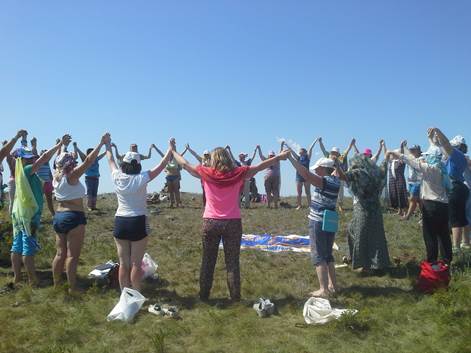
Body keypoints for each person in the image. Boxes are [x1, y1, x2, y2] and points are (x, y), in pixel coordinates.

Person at [170, 146, 289, 301]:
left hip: (210, 222)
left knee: (207, 260)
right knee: (232, 262)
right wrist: (278, 157)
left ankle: (204, 296)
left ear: (213, 159)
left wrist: (172, 151)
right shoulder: (239, 173)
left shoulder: (205, 172)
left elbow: (185, 164)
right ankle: (235, 298)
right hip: (233, 222)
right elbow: (260, 167)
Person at [106, 138, 172, 291]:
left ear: (124, 164)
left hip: (120, 220)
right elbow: (162, 165)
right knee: (136, 263)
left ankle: (124, 294)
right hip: (137, 221)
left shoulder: (117, 176)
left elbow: (110, 159)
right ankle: (135, 294)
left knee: (123, 263)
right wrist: (170, 148)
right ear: (138, 164)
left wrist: (107, 144)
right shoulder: (142, 177)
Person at [52, 133, 109, 292]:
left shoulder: (56, 176)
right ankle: (72, 287)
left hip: (59, 217)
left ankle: (56, 285)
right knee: (71, 256)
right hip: (74, 216)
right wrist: (101, 143)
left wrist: (62, 147)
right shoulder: (72, 176)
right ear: (69, 164)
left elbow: (59, 163)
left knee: (59, 254)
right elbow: (89, 161)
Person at [11, 134, 69, 286]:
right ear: (23, 159)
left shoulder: (18, 171)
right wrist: (59, 145)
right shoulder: (28, 169)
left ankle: (17, 277)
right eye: (29, 157)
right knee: (27, 247)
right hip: (29, 215)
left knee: (16, 246)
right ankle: (32, 279)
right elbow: (44, 158)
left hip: (18, 213)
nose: (32, 159)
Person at [386, 139, 452, 263]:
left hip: (430, 205)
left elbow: (410, 160)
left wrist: (396, 153)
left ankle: (432, 261)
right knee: (444, 235)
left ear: (431, 157)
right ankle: (447, 261)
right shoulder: (443, 169)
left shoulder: (427, 168)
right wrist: (431, 139)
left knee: (430, 235)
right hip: (444, 205)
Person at [287, 154, 342, 297]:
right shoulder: (336, 180)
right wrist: (336, 161)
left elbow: (305, 174)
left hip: (318, 221)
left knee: (319, 255)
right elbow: (336, 169)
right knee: (328, 254)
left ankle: (323, 289)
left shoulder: (323, 181)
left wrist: (292, 159)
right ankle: (333, 286)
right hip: (330, 221)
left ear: (324, 169)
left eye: (318, 169)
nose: (316, 171)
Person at [345, 153, 391, 272]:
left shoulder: (360, 173)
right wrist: (386, 157)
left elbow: (344, 176)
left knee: (361, 236)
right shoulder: (376, 173)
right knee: (376, 236)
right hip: (376, 209)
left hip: (363, 210)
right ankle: (378, 263)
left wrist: (337, 166)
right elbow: (384, 166)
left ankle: (364, 265)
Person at [430, 128, 469, 254]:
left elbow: (445, 144)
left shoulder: (456, 155)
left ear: (458, 147)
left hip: (455, 188)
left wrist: (438, 131)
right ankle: (464, 243)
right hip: (459, 187)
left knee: (455, 219)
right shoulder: (456, 156)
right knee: (462, 217)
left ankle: (456, 247)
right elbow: (441, 147)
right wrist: (433, 138)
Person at [319, 138, 356, 212]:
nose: (333, 153)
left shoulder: (340, 158)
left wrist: (351, 144)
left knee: (340, 192)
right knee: (329, 190)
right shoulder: (328, 156)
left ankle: (340, 206)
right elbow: (323, 150)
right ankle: (329, 204)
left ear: (338, 153)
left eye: (335, 152)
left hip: (340, 177)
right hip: (330, 177)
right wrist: (320, 142)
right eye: (333, 152)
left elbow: (347, 151)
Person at [283, 139, 316, 210]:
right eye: (299, 151)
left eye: (301, 151)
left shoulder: (308, 157)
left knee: (308, 192)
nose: (299, 151)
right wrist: (286, 145)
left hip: (307, 177)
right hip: (298, 177)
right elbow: (291, 151)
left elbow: (310, 148)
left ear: (304, 152)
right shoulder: (298, 158)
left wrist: (315, 140)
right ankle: (299, 205)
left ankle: (310, 205)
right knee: (299, 193)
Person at [73, 142, 106, 211]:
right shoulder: (86, 159)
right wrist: (76, 147)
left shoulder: (96, 158)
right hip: (89, 178)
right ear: (88, 153)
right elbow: (80, 153)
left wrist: (108, 149)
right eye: (92, 152)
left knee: (94, 192)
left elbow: (103, 155)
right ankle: (89, 207)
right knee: (89, 192)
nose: (93, 153)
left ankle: (93, 206)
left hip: (96, 178)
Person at [153, 140, 187, 208]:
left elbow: (181, 154)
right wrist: (155, 147)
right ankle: (172, 203)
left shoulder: (176, 157)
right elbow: (160, 153)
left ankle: (178, 203)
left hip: (175, 176)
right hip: (168, 176)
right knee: (170, 191)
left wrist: (186, 149)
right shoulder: (166, 158)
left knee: (176, 191)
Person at [256, 143, 283, 209]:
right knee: (275, 191)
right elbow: (281, 153)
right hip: (276, 177)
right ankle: (275, 205)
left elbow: (261, 156)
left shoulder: (267, 160)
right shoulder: (277, 159)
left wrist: (259, 148)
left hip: (267, 177)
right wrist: (281, 146)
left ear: (269, 155)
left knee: (268, 192)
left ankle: (269, 205)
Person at [388, 141, 409, 216]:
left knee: (401, 195)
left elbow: (402, 155)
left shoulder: (401, 161)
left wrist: (401, 147)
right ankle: (399, 211)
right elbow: (386, 155)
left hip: (400, 180)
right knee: (396, 195)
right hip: (393, 181)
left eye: (394, 154)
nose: (393, 155)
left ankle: (405, 212)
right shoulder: (391, 162)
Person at [402, 143, 423, 220]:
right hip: (411, 182)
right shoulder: (410, 157)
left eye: (414, 150)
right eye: (411, 150)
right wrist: (404, 146)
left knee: (412, 199)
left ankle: (408, 216)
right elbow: (404, 153)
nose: (412, 151)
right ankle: (424, 217)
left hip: (418, 182)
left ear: (418, 151)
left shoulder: (421, 159)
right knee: (419, 201)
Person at [36, 148, 55, 216]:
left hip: (48, 183)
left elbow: (49, 173)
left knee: (49, 200)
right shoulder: (38, 162)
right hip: (40, 183)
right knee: (39, 200)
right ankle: (38, 215)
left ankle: (53, 214)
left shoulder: (47, 163)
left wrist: (52, 181)